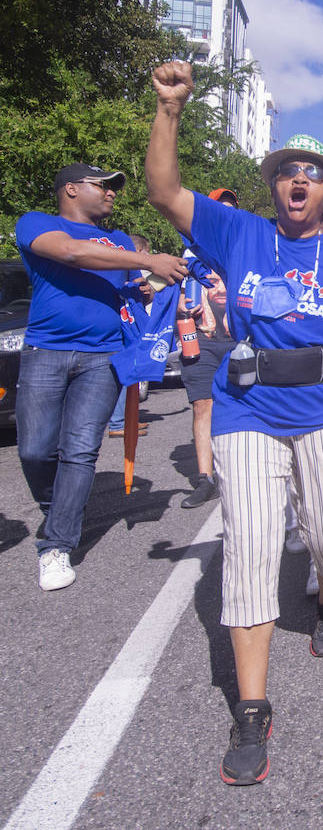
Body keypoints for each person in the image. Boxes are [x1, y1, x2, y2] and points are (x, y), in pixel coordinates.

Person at [148, 60, 323, 786]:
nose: (298, 178)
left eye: (312, 172)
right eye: (288, 168)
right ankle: (252, 708)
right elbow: (163, 191)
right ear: (274, 182)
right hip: (248, 410)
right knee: (251, 544)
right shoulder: (239, 233)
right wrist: (169, 109)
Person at [17, 163, 188, 591]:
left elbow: (132, 289)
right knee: (36, 450)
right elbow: (72, 254)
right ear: (71, 190)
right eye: (104, 185)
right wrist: (148, 258)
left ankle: (56, 544)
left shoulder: (119, 241)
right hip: (46, 351)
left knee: (79, 451)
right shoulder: (38, 223)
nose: (113, 192)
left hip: (103, 357)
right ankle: (58, 508)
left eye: (116, 187)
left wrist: (147, 284)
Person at [180, 191, 239, 510]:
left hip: (237, 341)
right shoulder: (192, 248)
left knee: (237, 407)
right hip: (200, 337)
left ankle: (239, 469)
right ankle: (206, 479)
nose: (225, 215)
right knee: (203, 405)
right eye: (220, 209)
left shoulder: (244, 249)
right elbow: (177, 279)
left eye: (231, 210)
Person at [106, 232, 155, 438]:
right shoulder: (116, 264)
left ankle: (126, 419)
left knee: (129, 374)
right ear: (138, 250)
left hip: (127, 325)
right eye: (144, 252)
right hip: (120, 327)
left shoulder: (129, 267)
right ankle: (118, 422)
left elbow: (144, 289)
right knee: (124, 373)